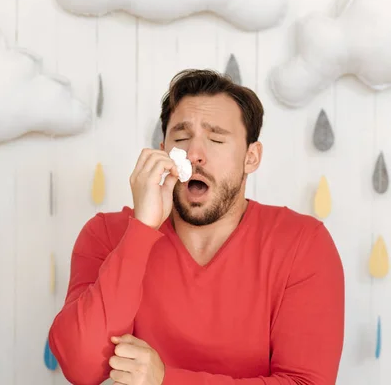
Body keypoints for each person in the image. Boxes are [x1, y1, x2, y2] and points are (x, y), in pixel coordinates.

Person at [48, 69, 345, 385]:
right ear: (164, 150)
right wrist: (142, 229)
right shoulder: (107, 234)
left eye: (216, 138)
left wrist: (165, 380)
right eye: (181, 137)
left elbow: (306, 382)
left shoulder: (302, 244)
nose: (194, 154)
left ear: (251, 157)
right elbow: (82, 367)